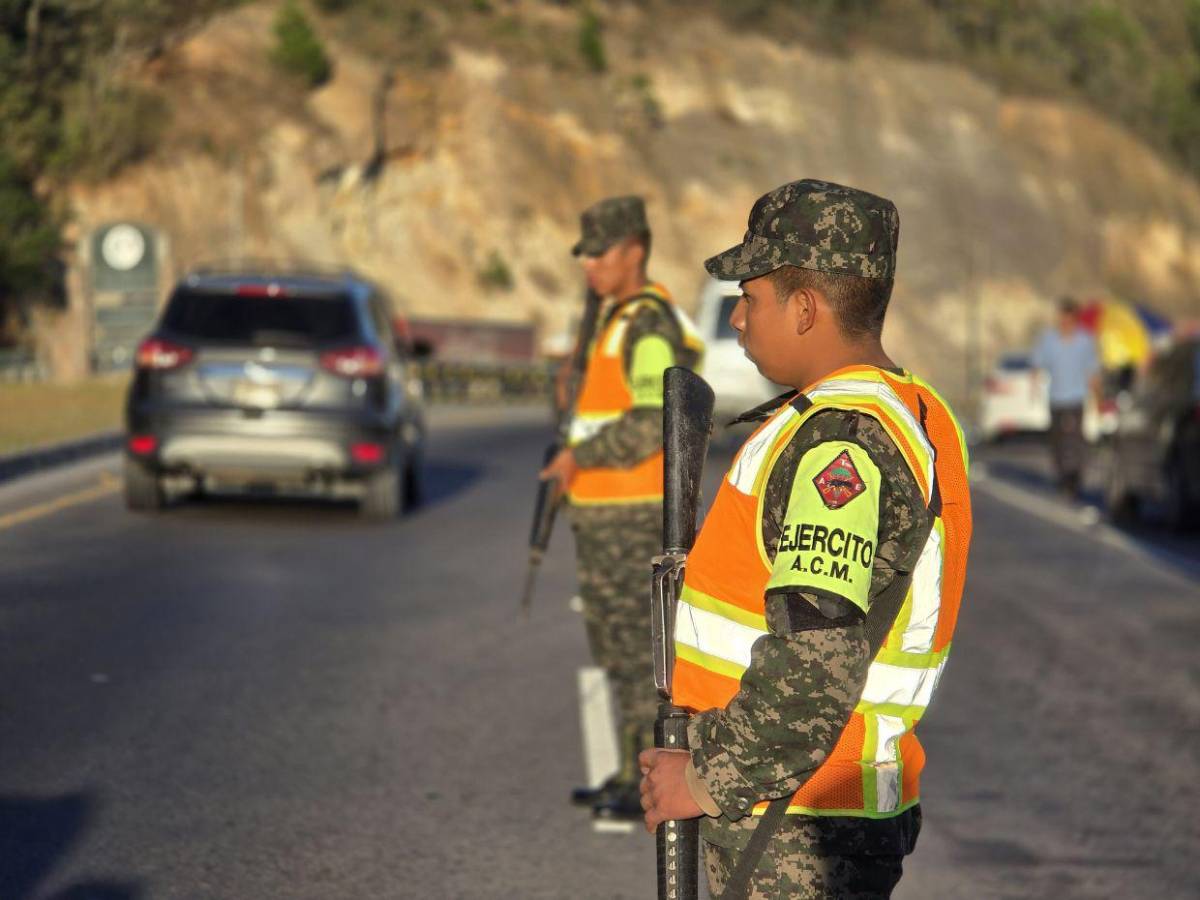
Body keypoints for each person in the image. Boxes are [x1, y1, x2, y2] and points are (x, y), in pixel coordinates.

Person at [638, 179, 973, 897]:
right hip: (805, 806)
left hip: (796, 824)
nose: (736, 318)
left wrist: (702, 778)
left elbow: (813, 663)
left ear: (805, 308)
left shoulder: (841, 446)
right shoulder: (903, 411)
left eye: (750, 296)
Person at [540, 195, 703, 821]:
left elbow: (652, 421)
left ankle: (648, 781)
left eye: (598, 252)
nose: (588, 265)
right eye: (583, 254)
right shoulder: (613, 319)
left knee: (640, 655)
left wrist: (581, 457)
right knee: (614, 649)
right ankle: (627, 772)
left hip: (634, 515)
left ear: (634, 251)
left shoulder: (647, 324)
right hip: (605, 514)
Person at [1031, 298, 1101, 500]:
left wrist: (1097, 398)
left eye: (1068, 320)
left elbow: (1093, 371)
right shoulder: (1049, 340)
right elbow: (1038, 363)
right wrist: (1034, 386)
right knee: (1057, 440)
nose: (1064, 324)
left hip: (1077, 398)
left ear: (1074, 320)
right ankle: (1062, 475)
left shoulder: (1085, 341)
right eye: (1061, 320)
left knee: (1075, 439)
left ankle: (1075, 477)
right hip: (1056, 398)